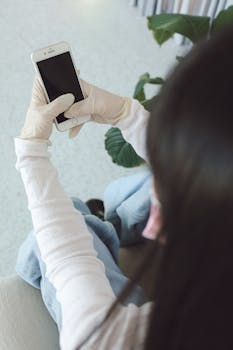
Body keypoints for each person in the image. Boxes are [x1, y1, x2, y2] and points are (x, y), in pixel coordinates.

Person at [15, 25, 233, 349]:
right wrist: (125, 113)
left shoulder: (122, 339)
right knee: (133, 193)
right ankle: (100, 223)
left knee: (54, 235)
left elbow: (69, 258)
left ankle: (97, 224)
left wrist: (32, 150)